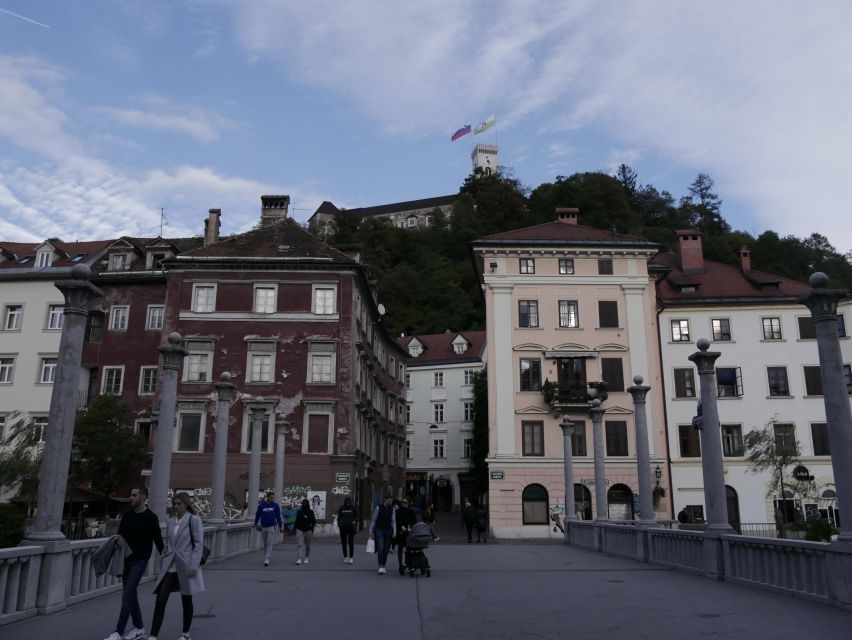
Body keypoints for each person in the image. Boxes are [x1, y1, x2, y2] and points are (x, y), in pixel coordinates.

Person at [104, 486, 164, 640]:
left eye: (134, 495)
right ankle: (139, 628)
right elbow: (121, 533)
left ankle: (118, 632)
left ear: (143, 497)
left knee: (127, 593)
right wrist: (118, 540)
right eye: (131, 495)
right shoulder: (128, 514)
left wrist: (167, 559)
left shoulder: (151, 517)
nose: (131, 497)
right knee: (131, 594)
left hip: (141, 560)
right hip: (126, 559)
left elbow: (158, 540)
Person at [148, 492, 204, 640]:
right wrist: (163, 561)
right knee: (161, 599)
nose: (175, 506)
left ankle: (185, 633)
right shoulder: (171, 521)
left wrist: (193, 565)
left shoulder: (194, 520)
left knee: (186, 599)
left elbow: (198, 544)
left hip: (186, 565)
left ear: (186, 504)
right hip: (170, 566)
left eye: (179, 503)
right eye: (174, 503)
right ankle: (153, 635)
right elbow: (167, 544)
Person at [369, 495, 397, 574]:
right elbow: (374, 520)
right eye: (390, 501)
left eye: (391, 501)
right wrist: (371, 531)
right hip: (379, 530)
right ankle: (380, 566)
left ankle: (384, 565)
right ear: (385, 500)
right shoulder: (378, 508)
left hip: (388, 530)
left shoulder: (392, 509)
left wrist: (394, 531)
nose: (391, 502)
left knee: (386, 549)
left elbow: (393, 521)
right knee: (381, 548)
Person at [254, 491, 283, 567]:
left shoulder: (275, 506)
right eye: (271, 498)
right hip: (263, 527)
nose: (272, 499)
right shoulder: (261, 506)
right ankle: (267, 557)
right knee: (265, 544)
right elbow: (257, 515)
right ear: (267, 497)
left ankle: (267, 558)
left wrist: (280, 526)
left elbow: (278, 517)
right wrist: (255, 524)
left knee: (270, 543)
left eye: (273, 498)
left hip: (271, 527)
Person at [395, 498, 417, 574]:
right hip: (401, 533)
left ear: (408, 503)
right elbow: (396, 521)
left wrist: (410, 527)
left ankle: (409, 564)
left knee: (409, 549)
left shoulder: (411, 511)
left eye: (406, 502)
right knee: (400, 549)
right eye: (403, 502)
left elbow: (415, 521)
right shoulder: (398, 511)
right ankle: (400, 564)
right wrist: (401, 527)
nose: (404, 504)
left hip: (409, 533)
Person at [294, 498, 316, 565]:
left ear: (308, 504)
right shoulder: (299, 511)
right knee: (299, 544)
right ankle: (299, 559)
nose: (304, 505)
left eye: (305, 503)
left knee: (308, 545)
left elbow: (314, 521)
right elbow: (296, 521)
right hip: (299, 529)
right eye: (303, 503)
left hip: (308, 530)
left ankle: (306, 557)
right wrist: (296, 528)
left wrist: (312, 529)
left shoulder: (311, 512)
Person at [337, 497, 358, 564]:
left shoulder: (353, 508)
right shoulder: (341, 508)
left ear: (350, 502)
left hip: (351, 527)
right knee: (343, 542)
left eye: (349, 503)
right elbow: (339, 517)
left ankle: (351, 558)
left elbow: (357, 515)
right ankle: (345, 557)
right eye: (346, 503)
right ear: (345, 502)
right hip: (343, 527)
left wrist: (355, 521)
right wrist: (339, 524)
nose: (348, 504)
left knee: (351, 542)